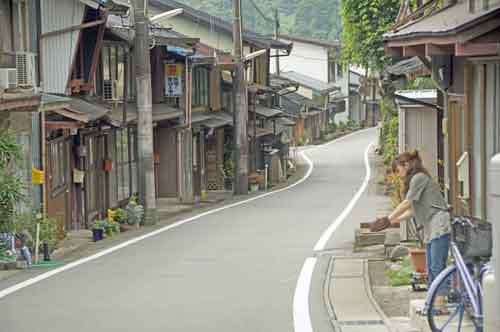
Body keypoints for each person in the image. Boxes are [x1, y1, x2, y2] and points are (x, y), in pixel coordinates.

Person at [371, 151, 451, 289]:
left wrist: (387, 219)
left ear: (406, 165)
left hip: (439, 225)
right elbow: (412, 210)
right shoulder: (416, 180)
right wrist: (391, 222)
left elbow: (408, 202)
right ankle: (434, 305)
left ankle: (439, 308)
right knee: (432, 269)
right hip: (431, 228)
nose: (398, 173)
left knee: (437, 269)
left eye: (398, 169)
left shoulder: (418, 178)